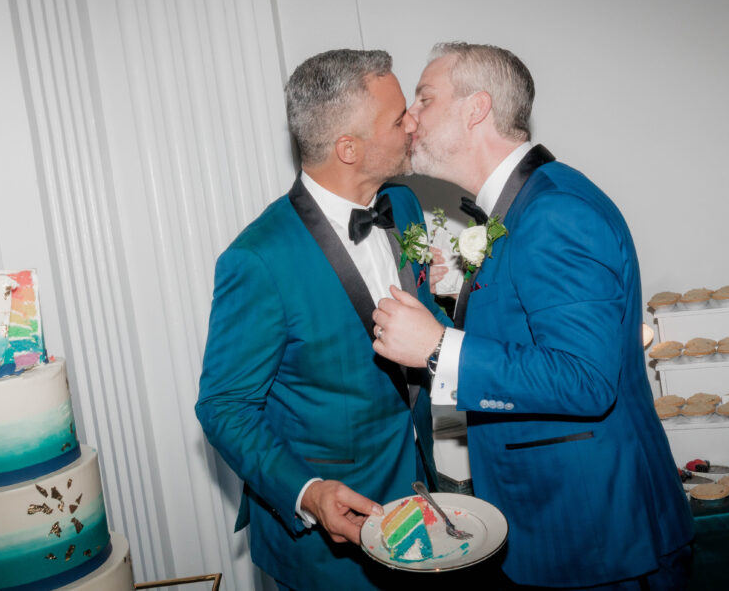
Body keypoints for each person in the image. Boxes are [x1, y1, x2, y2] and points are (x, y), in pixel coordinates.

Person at [371, 42, 694, 589]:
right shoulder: (523, 207)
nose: (410, 118)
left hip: (598, 536)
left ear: (476, 108)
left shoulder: (554, 212)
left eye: (424, 99)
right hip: (564, 527)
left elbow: (585, 380)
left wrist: (436, 347)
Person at [196, 49, 448, 591]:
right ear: (348, 148)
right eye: (399, 117)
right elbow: (223, 406)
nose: (414, 124)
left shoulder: (402, 206)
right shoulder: (258, 260)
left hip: (420, 498)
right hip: (329, 549)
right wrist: (308, 492)